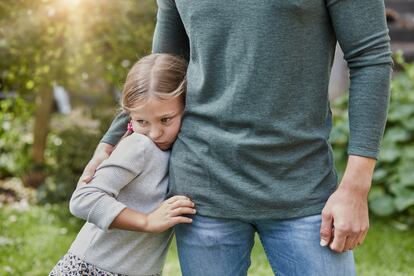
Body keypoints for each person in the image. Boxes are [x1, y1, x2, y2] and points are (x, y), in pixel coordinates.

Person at [82, 0, 393, 275]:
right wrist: (109, 142)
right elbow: (162, 69)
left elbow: (371, 58)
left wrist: (356, 186)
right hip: (202, 192)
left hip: (301, 185)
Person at [50, 53, 195, 276]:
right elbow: (82, 199)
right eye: (141, 121)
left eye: (166, 119)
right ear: (129, 118)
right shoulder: (139, 145)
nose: (155, 133)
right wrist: (146, 221)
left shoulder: (180, 150)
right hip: (91, 270)